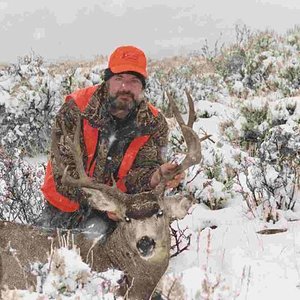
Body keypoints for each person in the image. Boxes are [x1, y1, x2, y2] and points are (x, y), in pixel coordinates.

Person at [39, 45, 184, 232]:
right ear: (107, 81)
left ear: (143, 87)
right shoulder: (76, 109)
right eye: (119, 78)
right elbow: (64, 175)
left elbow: (140, 175)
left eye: (133, 81)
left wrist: (155, 177)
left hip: (117, 212)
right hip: (64, 206)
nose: (125, 87)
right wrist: (106, 203)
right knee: (55, 258)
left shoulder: (153, 124)